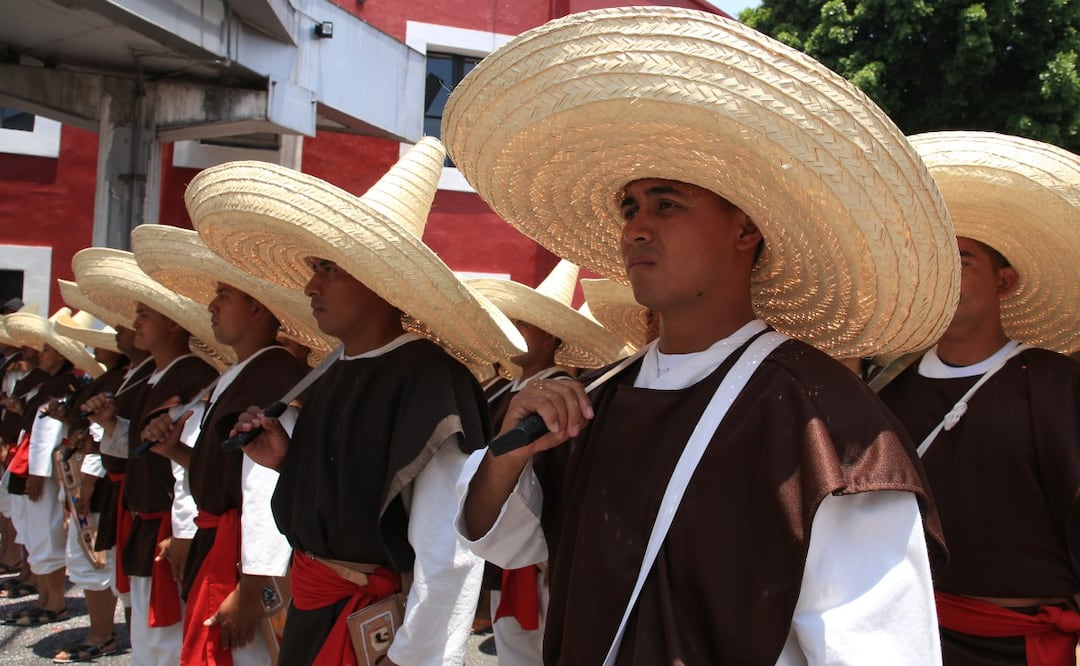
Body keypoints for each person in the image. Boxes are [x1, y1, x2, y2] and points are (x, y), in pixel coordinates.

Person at [442, 7, 961, 663]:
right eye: (629, 207)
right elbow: (503, 540)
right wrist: (510, 451)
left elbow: (881, 650)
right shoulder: (594, 400)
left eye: (667, 202)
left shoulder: (828, 424)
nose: (634, 228)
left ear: (746, 230)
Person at [186, 138, 527, 665]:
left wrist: (411, 655)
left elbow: (447, 550)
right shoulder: (334, 368)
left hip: (378, 632)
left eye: (328, 268)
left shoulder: (430, 381)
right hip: (318, 613)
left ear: (379, 278)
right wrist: (287, 462)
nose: (309, 285)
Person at [878, 131, 1080, 666]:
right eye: (934, 259)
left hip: (1018, 644)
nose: (944, 273)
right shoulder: (886, 395)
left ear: (1005, 281)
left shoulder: (1054, 384)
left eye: (962, 258)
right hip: (906, 636)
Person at [132, 224, 316, 666]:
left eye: (224, 296)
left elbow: (264, 485)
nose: (211, 305)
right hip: (221, 546)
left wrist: (253, 588)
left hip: (241, 559)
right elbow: (223, 471)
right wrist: (175, 451)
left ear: (257, 309)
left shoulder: (272, 376)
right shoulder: (239, 374)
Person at [73, 248, 226, 666]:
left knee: (166, 638)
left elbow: (187, 462)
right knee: (146, 631)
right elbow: (142, 452)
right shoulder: (155, 376)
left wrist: (183, 531)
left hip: (166, 523)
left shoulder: (190, 376)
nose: (134, 322)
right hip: (143, 518)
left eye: (145, 314)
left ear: (174, 323)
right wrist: (110, 425)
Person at [468, 259, 621, 665]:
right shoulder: (500, 389)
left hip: (536, 557)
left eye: (525, 325)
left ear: (551, 337)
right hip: (497, 537)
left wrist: (551, 559)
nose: (514, 332)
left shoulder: (561, 393)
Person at [1, 307, 105, 627]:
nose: (41, 354)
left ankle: (54, 601)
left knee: (45, 533)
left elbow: (47, 435)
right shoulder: (50, 384)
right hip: (32, 468)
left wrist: (37, 474)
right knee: (34, 532)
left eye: (47, 349)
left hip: (42, 475)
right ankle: (44, 597)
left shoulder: (61, 386)